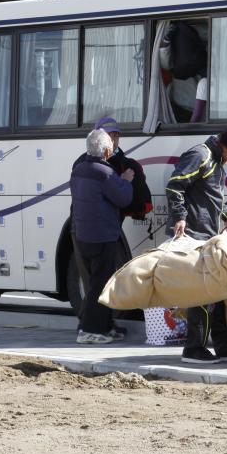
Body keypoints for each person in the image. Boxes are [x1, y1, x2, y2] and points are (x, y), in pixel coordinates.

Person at [165, 124, 227, 364]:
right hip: (194, 235)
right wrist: (180, 218)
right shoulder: (200, 155)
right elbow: (175, 186)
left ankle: (224, 346)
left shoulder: (215, 161)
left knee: (222, 292)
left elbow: (209, 197)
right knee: (203, 294)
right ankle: (194, 348)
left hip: (209, 235)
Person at [70, 128, 135, 344]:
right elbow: (123, 198)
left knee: (96, 283)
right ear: (107, 151)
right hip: (102, 235)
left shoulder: (79, 169)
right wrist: (125, 180)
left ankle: (106, 327)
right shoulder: (105, 173)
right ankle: (89, 330)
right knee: (101, 285)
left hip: (82, 235)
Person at [93, 116, 152, 222]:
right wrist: (122, 182)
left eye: (115, 136)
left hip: (112, 229)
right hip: (86, 228)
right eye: (107, 136)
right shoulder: (83, 163)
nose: (112, 140)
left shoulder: (129, 165)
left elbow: (142, 202)